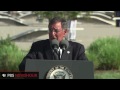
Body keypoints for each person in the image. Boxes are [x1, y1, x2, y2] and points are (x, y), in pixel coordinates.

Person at [19, 17, 88, 71]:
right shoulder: (38, 47)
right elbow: (23, 66)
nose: (52, 34)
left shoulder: (77, 49)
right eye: (50, 30)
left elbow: (86, 69)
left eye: (56, 31)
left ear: (65, 32)